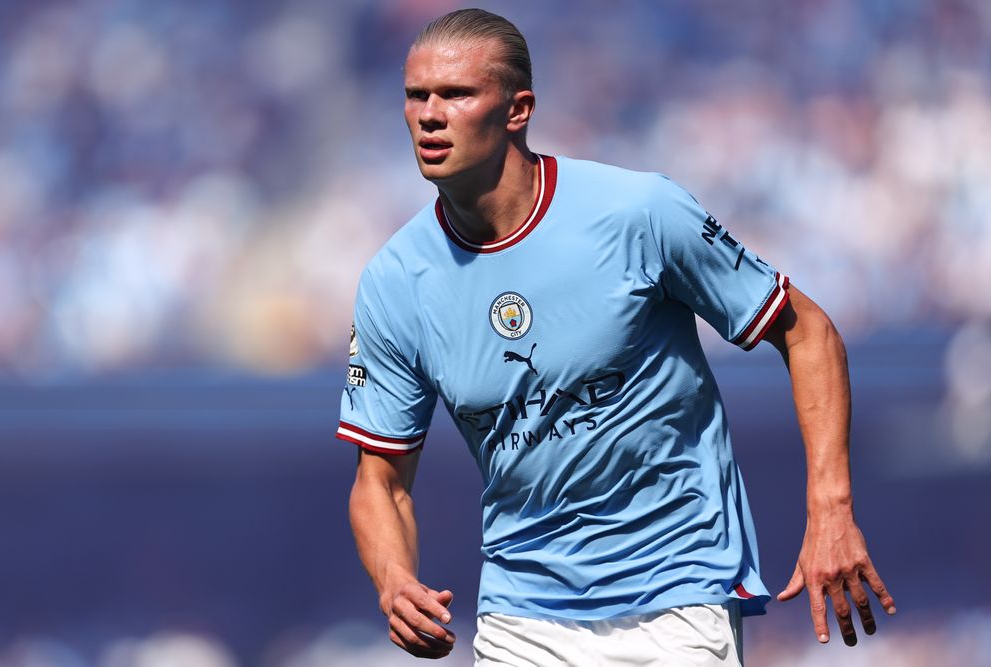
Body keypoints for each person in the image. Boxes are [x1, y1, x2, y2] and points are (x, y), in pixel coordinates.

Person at [338, 8, 895, 665]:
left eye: (456, 94)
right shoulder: (395, 280)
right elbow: (381, 480)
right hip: (523, 613)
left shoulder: (639, 214)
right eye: (415, 95)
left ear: (518, 110)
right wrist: (394, 579)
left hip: (678, 592)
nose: (429, 114)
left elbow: (809, 333)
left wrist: (831, 509)